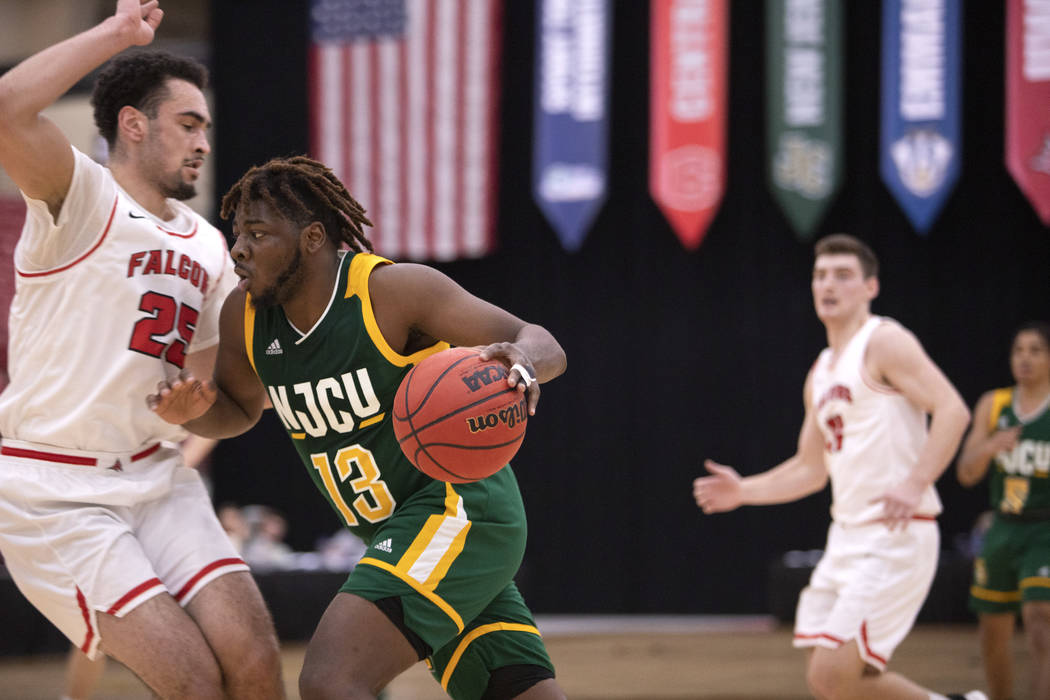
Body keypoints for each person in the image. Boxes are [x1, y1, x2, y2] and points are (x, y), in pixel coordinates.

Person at [146, 155, 569, 700]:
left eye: (257, 233)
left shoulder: (391, 293)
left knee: (330, 681)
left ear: (312, 238)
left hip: (458, 512)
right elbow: (239, 408)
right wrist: (190, 415)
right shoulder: (244, 316)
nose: (239, 249)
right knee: (513, 688)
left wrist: (523, 361)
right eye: (237, 233)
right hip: (397, 533)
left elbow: (542, 342)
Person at [0, 2, 284, 698]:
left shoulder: (210, 245)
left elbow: (202, 386)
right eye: (188, 124)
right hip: (55, 490)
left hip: (158, 478)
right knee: (191, 680)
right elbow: (7, 108)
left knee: (254, 660)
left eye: (206, 128)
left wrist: (196, 402)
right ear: (133, 124)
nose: (203, 143)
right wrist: (115, 33)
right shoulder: (79, 196)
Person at [692, 233, 982, 700]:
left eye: (843, 275)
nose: (829, 284)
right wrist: (743, 490)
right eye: (820, 275)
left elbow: (953, 410)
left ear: (871, 286)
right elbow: (810, 468)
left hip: (895, 533)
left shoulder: (884, 341)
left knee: (831, 674)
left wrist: (915, 482)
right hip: (846, 539)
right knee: (833, 682)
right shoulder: (822, 371)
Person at [957, 321, 1050, 700]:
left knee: (1040, 619)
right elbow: (966, 473)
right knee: (993, 632)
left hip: (1044, 529)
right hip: (1003, 528)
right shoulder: (993, 405)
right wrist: (991, 446)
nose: (1024, 359)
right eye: (1018, 351)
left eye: (1035, 350)